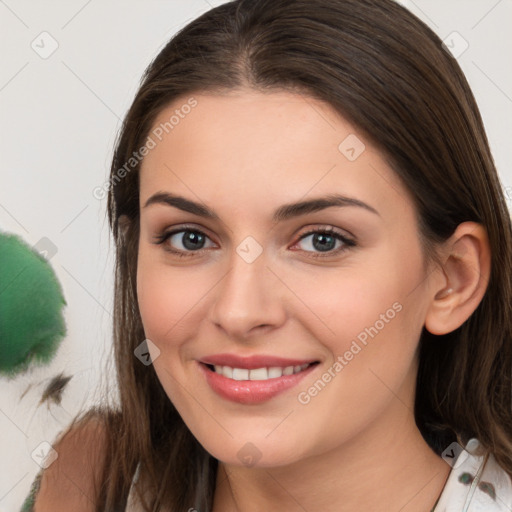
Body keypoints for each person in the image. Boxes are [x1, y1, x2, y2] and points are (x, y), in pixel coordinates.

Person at [27, 0, 512, 510]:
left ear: (453, 280)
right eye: (190, 238)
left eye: (322, 240)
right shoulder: (95, 477)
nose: (239, 311)